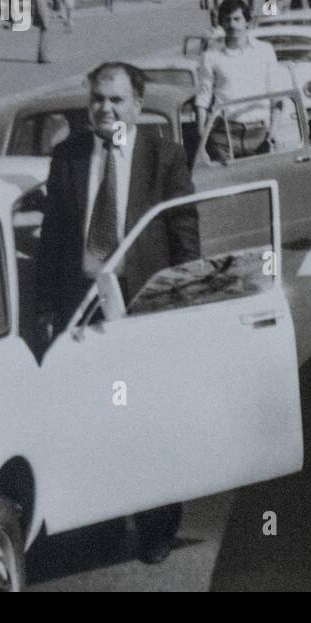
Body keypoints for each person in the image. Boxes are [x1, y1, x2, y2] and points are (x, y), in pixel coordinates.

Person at [37, 61, 198, 563]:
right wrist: (47, 307)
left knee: (148, 416)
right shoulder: (67, 155)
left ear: (137, 104)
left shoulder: (164, 155)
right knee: (95, 416)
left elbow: (183, 232)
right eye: (97, 100)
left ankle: (156, 527)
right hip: (83, 306)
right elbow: (53, 237)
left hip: (143, 300)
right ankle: (104, 521)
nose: (105, 109)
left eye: (116, 100)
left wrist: (183, 298)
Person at [195, 0, 287, 165]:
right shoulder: (211, 55)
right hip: (224, 135)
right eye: (227, 20)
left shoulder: (265, 51)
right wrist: (202, 134)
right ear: (221, 23)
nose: (232, 25)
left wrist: (274, 132)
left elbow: (277, 96)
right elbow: (203, 96)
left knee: (262, 185)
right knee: (227, 187)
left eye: (237, 19)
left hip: (259, 133)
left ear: (247, 22)